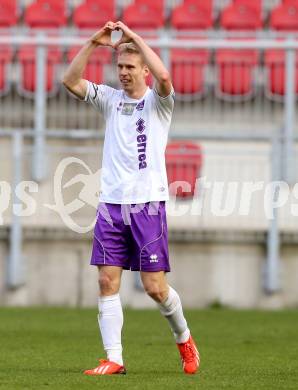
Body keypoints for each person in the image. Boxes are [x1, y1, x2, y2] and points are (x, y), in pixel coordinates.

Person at [62, 21, 200, 376]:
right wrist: (95, 41)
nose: (123, 73)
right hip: (111, 204)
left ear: (143, 71)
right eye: (120, 66)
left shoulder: (158, 102)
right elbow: (70, 80)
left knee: (154, 288)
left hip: (147, 206)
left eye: (130, 67)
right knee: (107, 281)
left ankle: (184, 338)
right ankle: (114, 358)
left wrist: (136, 38)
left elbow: (166, 75)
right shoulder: (110, 100)